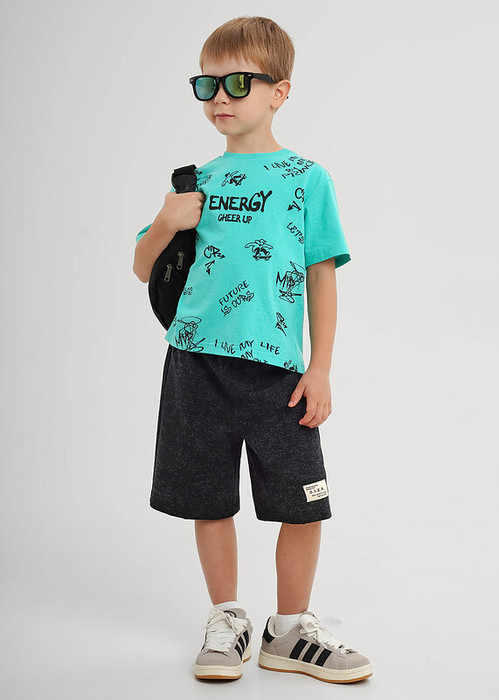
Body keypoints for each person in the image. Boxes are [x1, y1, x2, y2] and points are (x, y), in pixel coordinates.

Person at [133, 15, 372, 685]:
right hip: (196, 364)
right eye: (206, 83)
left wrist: (320, 367)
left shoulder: (307, 179)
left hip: (278, 374)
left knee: (302, 501)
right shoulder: (195, 182)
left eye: (237, 82)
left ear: (279, 91)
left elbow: (321, 275)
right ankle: (226, 618)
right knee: (209, 497)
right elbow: (142, 266)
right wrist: (166, 220)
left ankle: (289, 629)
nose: (219, 96)